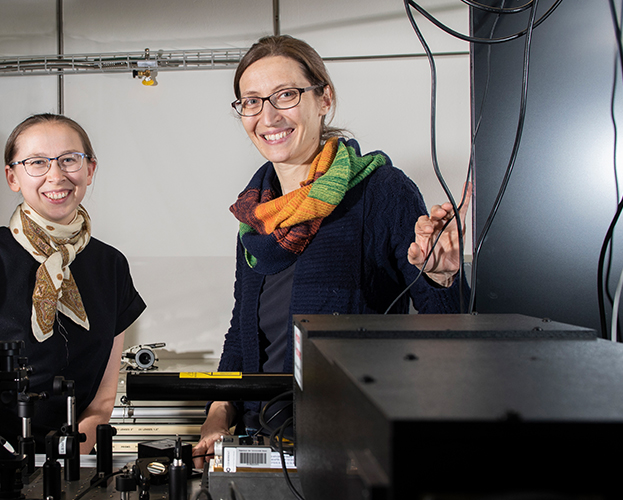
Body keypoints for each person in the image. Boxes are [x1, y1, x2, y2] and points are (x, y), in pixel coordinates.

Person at [192, 35, 468, 467]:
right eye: (251, 101)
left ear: (324, 99)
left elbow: (446, 330)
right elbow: (240, 337)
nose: (268, 116)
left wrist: (440, 276)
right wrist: (217, 412)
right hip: (260, 439)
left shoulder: (383, 192)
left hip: (353, 446)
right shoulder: (256, 217)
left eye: (285, 95)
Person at [0, 113, 146, 454]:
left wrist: (63, 467)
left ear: (90, 170)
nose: (56, 175)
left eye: (69, 160)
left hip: (71, 461)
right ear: (12, 176)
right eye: (36, 162)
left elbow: (102, 401)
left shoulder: (111, 266)